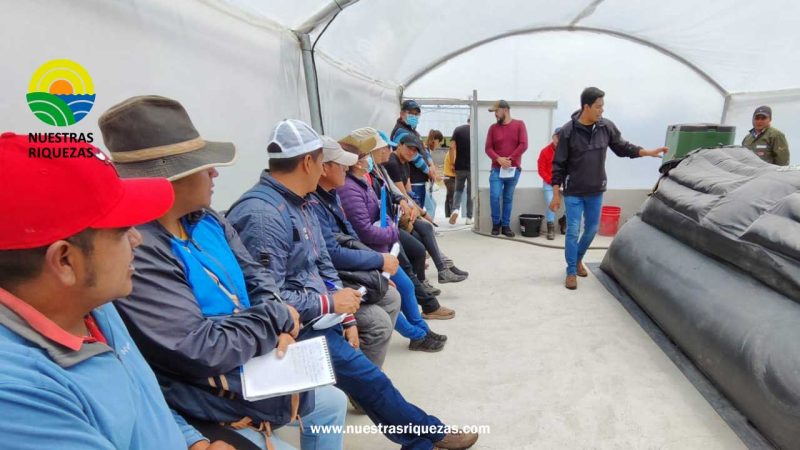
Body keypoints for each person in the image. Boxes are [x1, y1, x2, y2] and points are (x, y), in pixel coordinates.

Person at [98, 95, 347, 450]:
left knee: (332, 401)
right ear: (172, 179)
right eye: (204, 166)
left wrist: (279, 322)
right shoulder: (140, 248)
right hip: (207, 395)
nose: (215, 173)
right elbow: (197, 346)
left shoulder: (207, 219)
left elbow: (256, 276)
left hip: (250, 364)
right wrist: (273, 320)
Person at [227, 119, 479, 450]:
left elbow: (322, 263)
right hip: (295, 331)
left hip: (319, 319)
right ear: (309, 162)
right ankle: (429, 436)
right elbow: (266, 300)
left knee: (369, 380)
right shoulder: (263, 217)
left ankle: (426, 438)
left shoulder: (302, 202)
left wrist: (345, 316)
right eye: (324, 161)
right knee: (369, 380)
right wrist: (330, 304)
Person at [0, 132, 235, 450]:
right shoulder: (18, 396)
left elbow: (141, 396)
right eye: (123, 230)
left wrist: (192, 441)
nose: (138, 239)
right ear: (65, 261)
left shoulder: (92, 305)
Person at [315, 132, 448, 351]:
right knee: (387, 302)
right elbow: (356, 235)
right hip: (369, 255)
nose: (346, 167)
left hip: (374, 253)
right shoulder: (345, 190)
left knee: (401, 288)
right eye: (365, 155)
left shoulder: (360, 182)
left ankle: (421, 330)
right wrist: (381, 254)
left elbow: (361, 224)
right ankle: (419, 333)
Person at [550, 87, 667, 290]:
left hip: (596, 189)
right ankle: (571, 271)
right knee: (573, 231)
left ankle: (577, 259)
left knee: (591, 229)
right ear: (586, 107)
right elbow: (558, 164)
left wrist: (646, 152)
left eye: (602, 106)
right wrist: (555, 195)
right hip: (574, 191)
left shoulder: (606, 127)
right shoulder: (568, 131)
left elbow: (623, 147)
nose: (602, 110)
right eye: (598, 106)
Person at [383, 133, 469, 284]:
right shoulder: (392, 163)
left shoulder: (405, 162)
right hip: (396, 213)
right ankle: (441, 269)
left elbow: (408, 192)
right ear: (399, 145)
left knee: (426, 230)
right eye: (409, 148)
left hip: (403, 209)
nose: (412, 152)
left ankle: (443, 268)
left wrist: (418, 209)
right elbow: (401, 194)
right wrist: (421, 212)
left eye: (415, 150)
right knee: (424, 233)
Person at [485, 100, 528, 237]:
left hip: (513, 169)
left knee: (508, 198)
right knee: (495, 196)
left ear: (505, 110)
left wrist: (510, 159)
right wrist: (499, 159)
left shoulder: (519, 124)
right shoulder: (493, 128)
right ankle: (496, 223)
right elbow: (488, 148)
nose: (495, 114)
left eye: (496, 111)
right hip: (496, 170)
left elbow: (523, 144)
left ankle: (505, 226)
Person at [537, 128, 561, 240]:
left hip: (563, 183)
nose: (558, 140)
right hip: (549, 183)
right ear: (553, 137)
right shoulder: (545, 151)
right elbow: (541, 170)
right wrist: (551, 181)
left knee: (573, 201)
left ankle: (564, 220)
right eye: (557, 137)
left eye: (561, 137)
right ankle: (550, 228)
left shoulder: (568, 151)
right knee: (552, 203)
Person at [449, 118, 473, 225]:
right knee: (470, 192)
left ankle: (455, 210)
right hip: (472, 168)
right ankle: (469, 217)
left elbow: (451, 147)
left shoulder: (458, 130)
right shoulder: (476, 131)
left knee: (458, 190)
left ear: (467, 120)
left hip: (459, 166)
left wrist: (452, 163)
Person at [442, 134, 457, 219]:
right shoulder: (453, 153)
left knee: (448, 197)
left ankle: (447, 216)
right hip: (450, 178)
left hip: (447, 177)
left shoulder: (452, 152)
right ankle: (452, 215)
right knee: (452, 198)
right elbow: (454, 168)